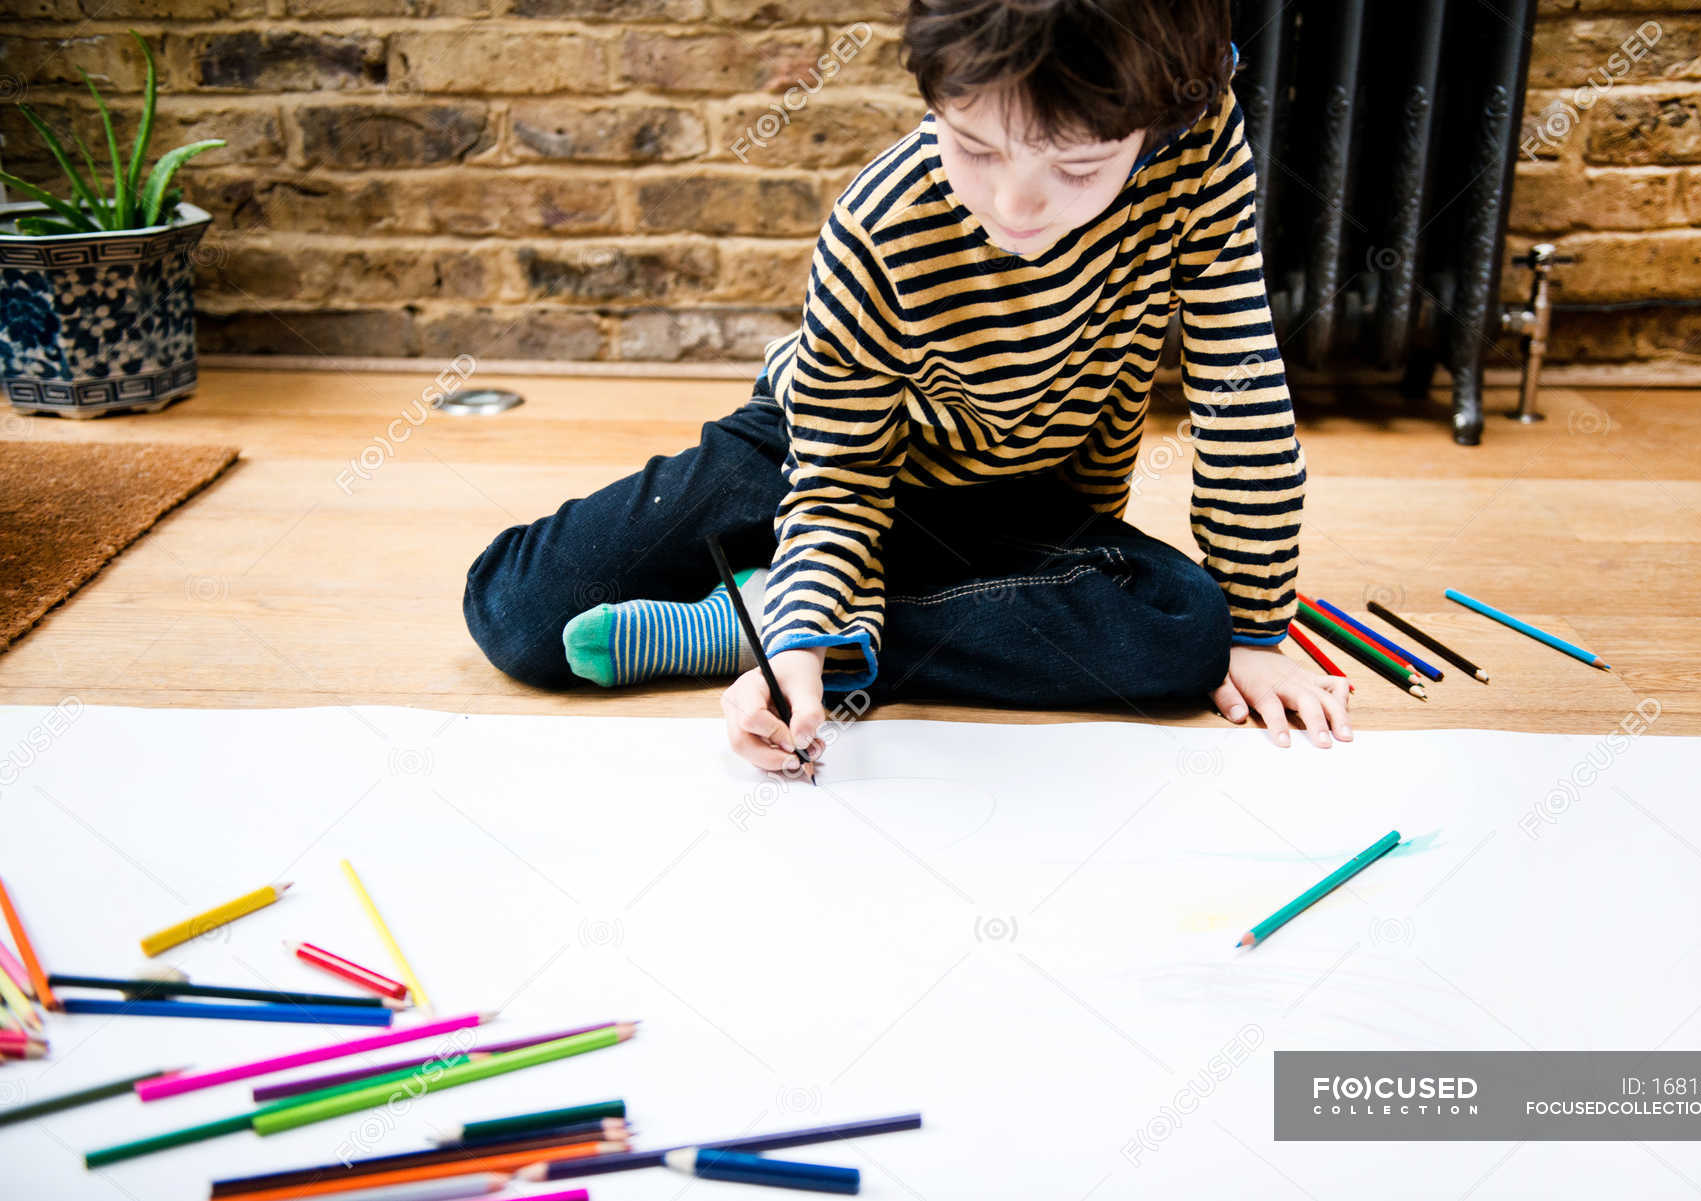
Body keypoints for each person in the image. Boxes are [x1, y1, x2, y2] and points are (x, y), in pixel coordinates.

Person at [463, 0, 1353, 779]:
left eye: (1076, 171)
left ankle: (790, 626)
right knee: (519, 613)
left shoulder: (1199, 148)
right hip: (815, 449)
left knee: (1190, 628)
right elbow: (841, 483)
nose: (1015, 207)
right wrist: (817, 590)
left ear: (1160, 125)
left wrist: (1257, 625)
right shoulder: (878, 225)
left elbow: (1240, 380)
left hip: (1009, 491)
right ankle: (810, 606)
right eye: (974, 147)